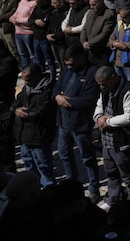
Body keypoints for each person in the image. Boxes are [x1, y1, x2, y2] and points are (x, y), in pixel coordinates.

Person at [53, 44, 101, 202]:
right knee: (64, 155)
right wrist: (57, 97)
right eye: (66, 64)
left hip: (80, 124)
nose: (69, 67)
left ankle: (94, 187)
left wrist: (68, 101)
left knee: (87, 157)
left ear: (81, 58)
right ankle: (71, 183)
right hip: (63, 123)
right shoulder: (66, 70)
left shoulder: (92, 72)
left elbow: (88, 100)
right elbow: (57, 88)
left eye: (71, 64)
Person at [93, 65, 130, 207]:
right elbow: (99, 106)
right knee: (111, 172)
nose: (101, 87)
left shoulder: (129, 91)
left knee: (128, 176)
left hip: (122, 142)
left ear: (113, 78)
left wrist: (107, 122)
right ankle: (112, 199)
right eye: (99, 84)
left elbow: (129, 117)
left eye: (103, 83)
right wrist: (99, 118)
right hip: (107, 141)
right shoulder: (105, 90)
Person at [13, 64, 56, 187]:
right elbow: (16, 103)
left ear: (37, 76)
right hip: (25, 135)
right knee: (28, 164)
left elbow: (41, 112)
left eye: (28, 80)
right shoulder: (26, 89)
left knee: (44, 167)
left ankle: (49, 191)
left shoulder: (47, 90)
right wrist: (16, 110)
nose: (26, 83)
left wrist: (25, 114)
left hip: (39, 137)